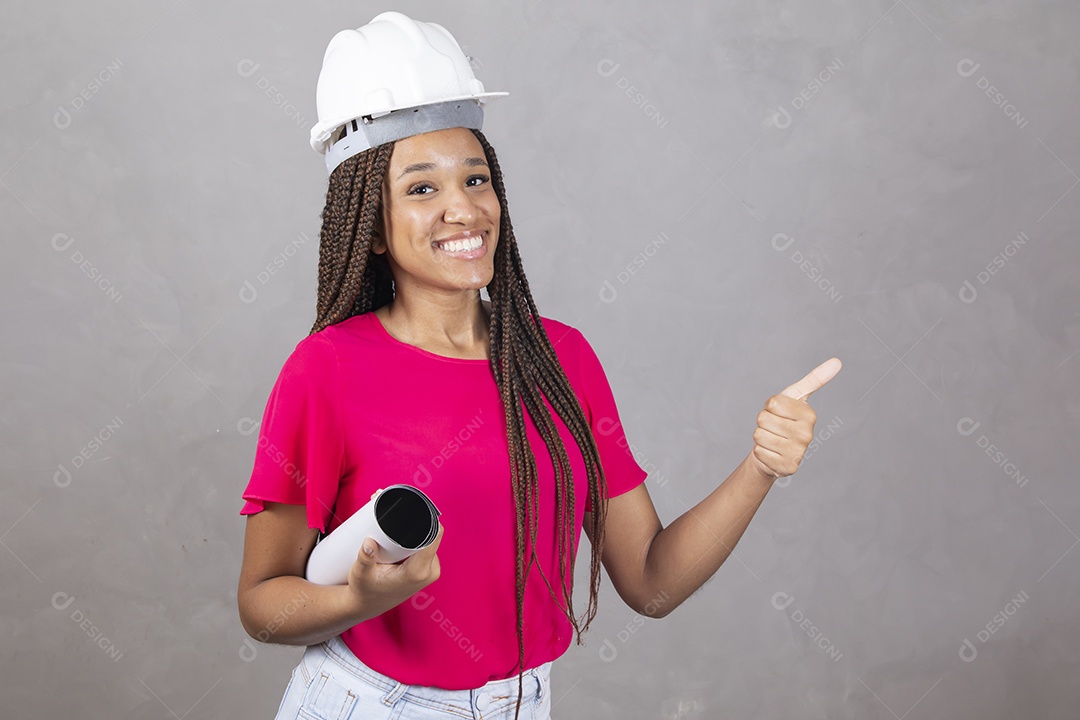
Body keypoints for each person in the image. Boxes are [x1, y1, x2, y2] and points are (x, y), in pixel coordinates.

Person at [236, 12, 841, 720]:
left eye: (476, 179)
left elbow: (652, 583)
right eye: (423, 189)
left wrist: (760, 467)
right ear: (371, 226)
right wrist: (357, 601)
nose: (463, 209)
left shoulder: (561, 359)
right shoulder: (327, 371)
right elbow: (262, 605)